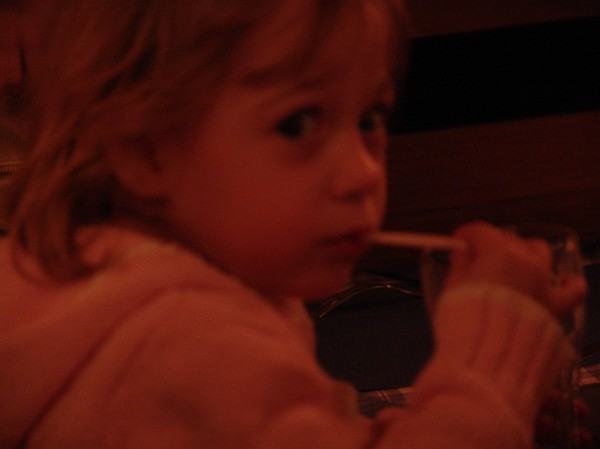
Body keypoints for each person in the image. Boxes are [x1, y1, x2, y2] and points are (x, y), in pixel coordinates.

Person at [0, 0, 587, 448]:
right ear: (147, 152)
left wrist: (450, 420)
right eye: (299, 124)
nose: (363, 173)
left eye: (370, 119)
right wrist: (485, 385)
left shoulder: (104, 297)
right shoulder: (191, 340)